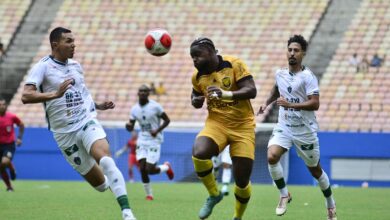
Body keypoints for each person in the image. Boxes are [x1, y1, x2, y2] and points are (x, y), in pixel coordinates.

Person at [21, 27, 136, 220]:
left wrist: (98, 105)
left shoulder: (76, 66)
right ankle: (112, 184)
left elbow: (82, 94)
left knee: (105, 159)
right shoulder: (43, 66)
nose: (73, 44)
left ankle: (127, 212)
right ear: (55, 45)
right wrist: (54, 94)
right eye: (68, 41)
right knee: (100, 185)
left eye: (73, 40)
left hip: (85, 121)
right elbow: (26, 95)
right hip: (65, 134)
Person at [257, 35, 337, 220]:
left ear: (303, 54)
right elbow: (277, 90)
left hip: (305, 131)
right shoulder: (280, 73)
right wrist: (267, 103)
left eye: (296, 50)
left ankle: (330, 205)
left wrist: (290, 105)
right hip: (284, 126)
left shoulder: (308, 77)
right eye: (290, 50)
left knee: (315, 171)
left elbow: (315, 103)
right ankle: (284, 194)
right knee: (271, 156)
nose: (292, 53)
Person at [190, 37, 257, 220]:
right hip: (216, 124)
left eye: (198, 55)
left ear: (211, 52)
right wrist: (196, 101)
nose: (195, 60)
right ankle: (213, 194)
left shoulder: (234, 64)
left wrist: (225, 94)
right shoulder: (197, 77)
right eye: (192, 57)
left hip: (243, 126)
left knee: (242, 181)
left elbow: (251, 90)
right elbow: (195, 97)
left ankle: (237, 216)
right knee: (199, 152)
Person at [125, 84, 174, 201]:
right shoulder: (134, 109)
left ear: (148, 93)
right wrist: (128, 126)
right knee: (142, 169)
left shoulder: (156, 107)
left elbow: (167, 120)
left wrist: (157, 130)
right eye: (140, 91)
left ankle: (166, 167)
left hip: (154, 140)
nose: (142, 93)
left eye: (145, 91)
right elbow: (131, 126)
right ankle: (149, 194)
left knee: (150, 170)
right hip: (142, 140)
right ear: (137, 93)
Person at [0, 97, 24, 191]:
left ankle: (12, 169)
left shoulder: (11, 117)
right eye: (0, 105)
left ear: (6, 106)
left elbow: (21, 124)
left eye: (3, 104)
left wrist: (19, 138)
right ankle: (9, 187)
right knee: (1, 168)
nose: (2, 106)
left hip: (9, 145)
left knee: (4, 162)